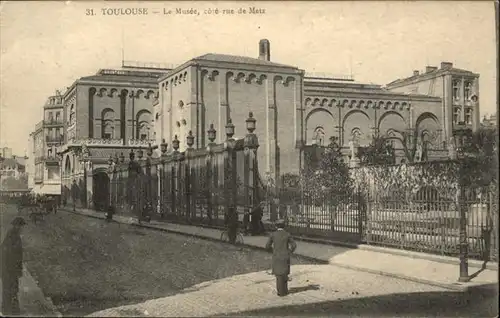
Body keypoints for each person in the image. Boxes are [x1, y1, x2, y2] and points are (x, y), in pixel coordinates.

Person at [1, 217, 27, 316]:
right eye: (21, 226)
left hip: (12, 268)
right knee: (9, 289)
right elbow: (9, 253)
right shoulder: (12, 236)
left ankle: (11, 309)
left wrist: (19, 268)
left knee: (12, 289)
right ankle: (8, 310)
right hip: (9, 268)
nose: (22, 228)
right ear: (17, 226)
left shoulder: (14, 235)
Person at [265, 219, 297, 297]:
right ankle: (285, 290)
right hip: (285, 255)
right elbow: (294, 245)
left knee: (278, 274)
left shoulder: (273, 234)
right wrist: (289, 251)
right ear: (284, 226)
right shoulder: (287, 234)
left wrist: (273, 251)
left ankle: (280, 292)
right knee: (284, 272)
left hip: (277, 256)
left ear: (276, 226)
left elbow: (267, 246)